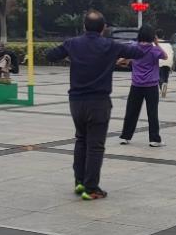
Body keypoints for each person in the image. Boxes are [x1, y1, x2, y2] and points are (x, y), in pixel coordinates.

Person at [46, 11, 146, 200]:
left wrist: (71, 55)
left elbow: (50, 55)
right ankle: (91, 188)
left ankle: (79, 182)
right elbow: (139, 52)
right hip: (99, 102)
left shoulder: (72, 43)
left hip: (76, 101)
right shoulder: (110, 45)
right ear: (103, 28)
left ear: (84, 26)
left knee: (81, 140)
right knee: (95, 146)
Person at [119, 25, 166, 146]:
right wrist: (157, 43)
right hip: (151, 85)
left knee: (131, 111)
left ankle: (125, 137)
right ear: (152, 36)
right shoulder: (154, 50)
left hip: (136, 84)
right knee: (152, 113)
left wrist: (128, 60)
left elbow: (121, 60)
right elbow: (165, 56)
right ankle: (154, 139)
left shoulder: (134, 47)